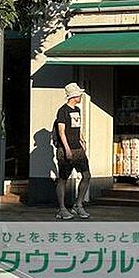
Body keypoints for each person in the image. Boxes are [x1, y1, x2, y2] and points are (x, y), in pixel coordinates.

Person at [53, 82, 91, 220]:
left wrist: (82, 140)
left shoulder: (77, 110)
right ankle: (62, 208)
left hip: (78, 149)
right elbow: (61, 131)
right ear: (73, 96)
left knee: (86, 175)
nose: (80, 96)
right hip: (66, 149)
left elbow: (78, 128)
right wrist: (67, 148)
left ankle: (78, 204)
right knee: (63, 178)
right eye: (79, 94)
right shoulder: (62, 111)